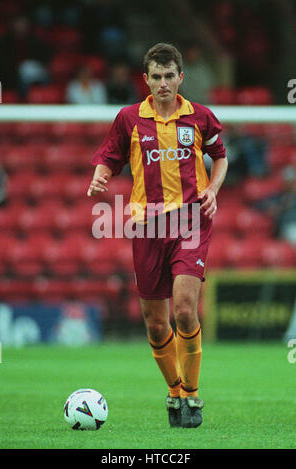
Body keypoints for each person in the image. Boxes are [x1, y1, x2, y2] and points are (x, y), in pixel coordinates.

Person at [87, 43, 228, 428]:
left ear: (180, 78)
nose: (163, 83)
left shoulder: (200, 117)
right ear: (145, 80)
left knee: (184, 308)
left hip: (189, 221)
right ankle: (174, 392)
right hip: (147, 226)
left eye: (170, 76)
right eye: (156, 77)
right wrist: (100, 174)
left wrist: (212, 189)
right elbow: (108, 157)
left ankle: (193, 397)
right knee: (154, 321)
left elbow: (221, 156)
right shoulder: (129, 119)